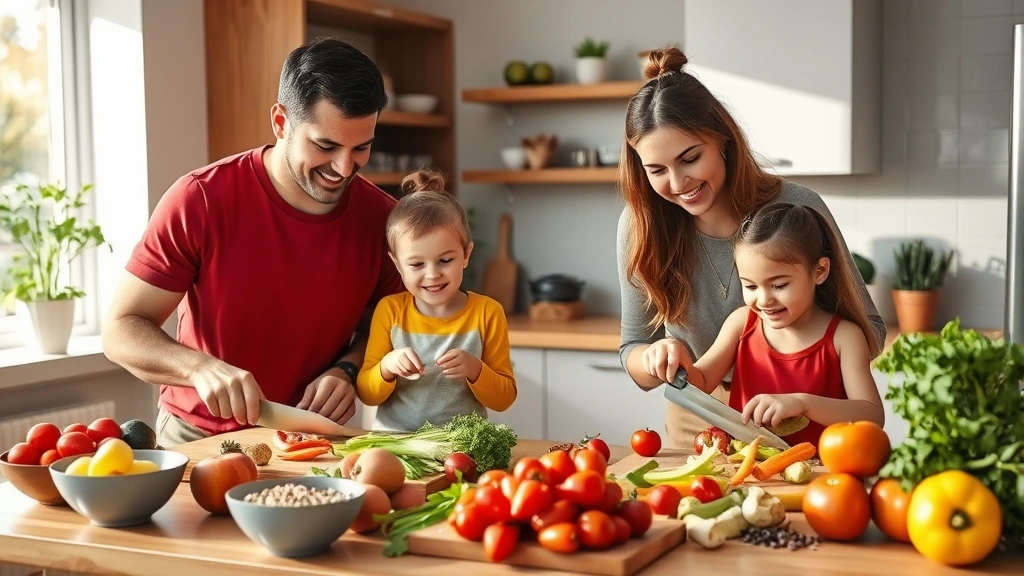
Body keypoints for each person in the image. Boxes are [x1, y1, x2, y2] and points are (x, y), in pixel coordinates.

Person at [101, 38, 404, 447]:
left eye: (361, 148)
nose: (344, 167)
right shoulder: (200, 199)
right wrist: (198, 368)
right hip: (197, 436)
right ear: (281, 122)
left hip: (310, 440)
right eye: (325, 145)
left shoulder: (383, 219)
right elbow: (121, 329)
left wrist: (348, 369)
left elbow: (389, 324)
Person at [617, 47, 886, 449]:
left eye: (690, 158)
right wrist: (656, 357)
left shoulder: (797, 208)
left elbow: (870, 331)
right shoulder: (640, 227)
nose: (677, 183)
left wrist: (799, 385)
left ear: (722, 140)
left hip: (807, 422)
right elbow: (632, 348)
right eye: (656, 170)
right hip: (699, 417)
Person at [650, 203, 884, 449]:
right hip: (749, 473)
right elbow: (702, 380)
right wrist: (671, 354)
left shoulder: (845, 337)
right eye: (750, 286)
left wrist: (802, 403)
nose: (763, 300)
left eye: (779, 285)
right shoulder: (741, 324)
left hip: (822, 476)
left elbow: (872, 415)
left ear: (819, 271)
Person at [356, 171, 517, 431]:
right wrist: (386, 367)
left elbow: (505, 398)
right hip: (396, 445)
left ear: (466, 255)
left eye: (445, 260)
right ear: (397, 264)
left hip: (460, 449)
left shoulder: (487, 312)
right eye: (417, 264)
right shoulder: (390, 311)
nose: (432, 274)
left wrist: (476, 370)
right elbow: (367, 393)